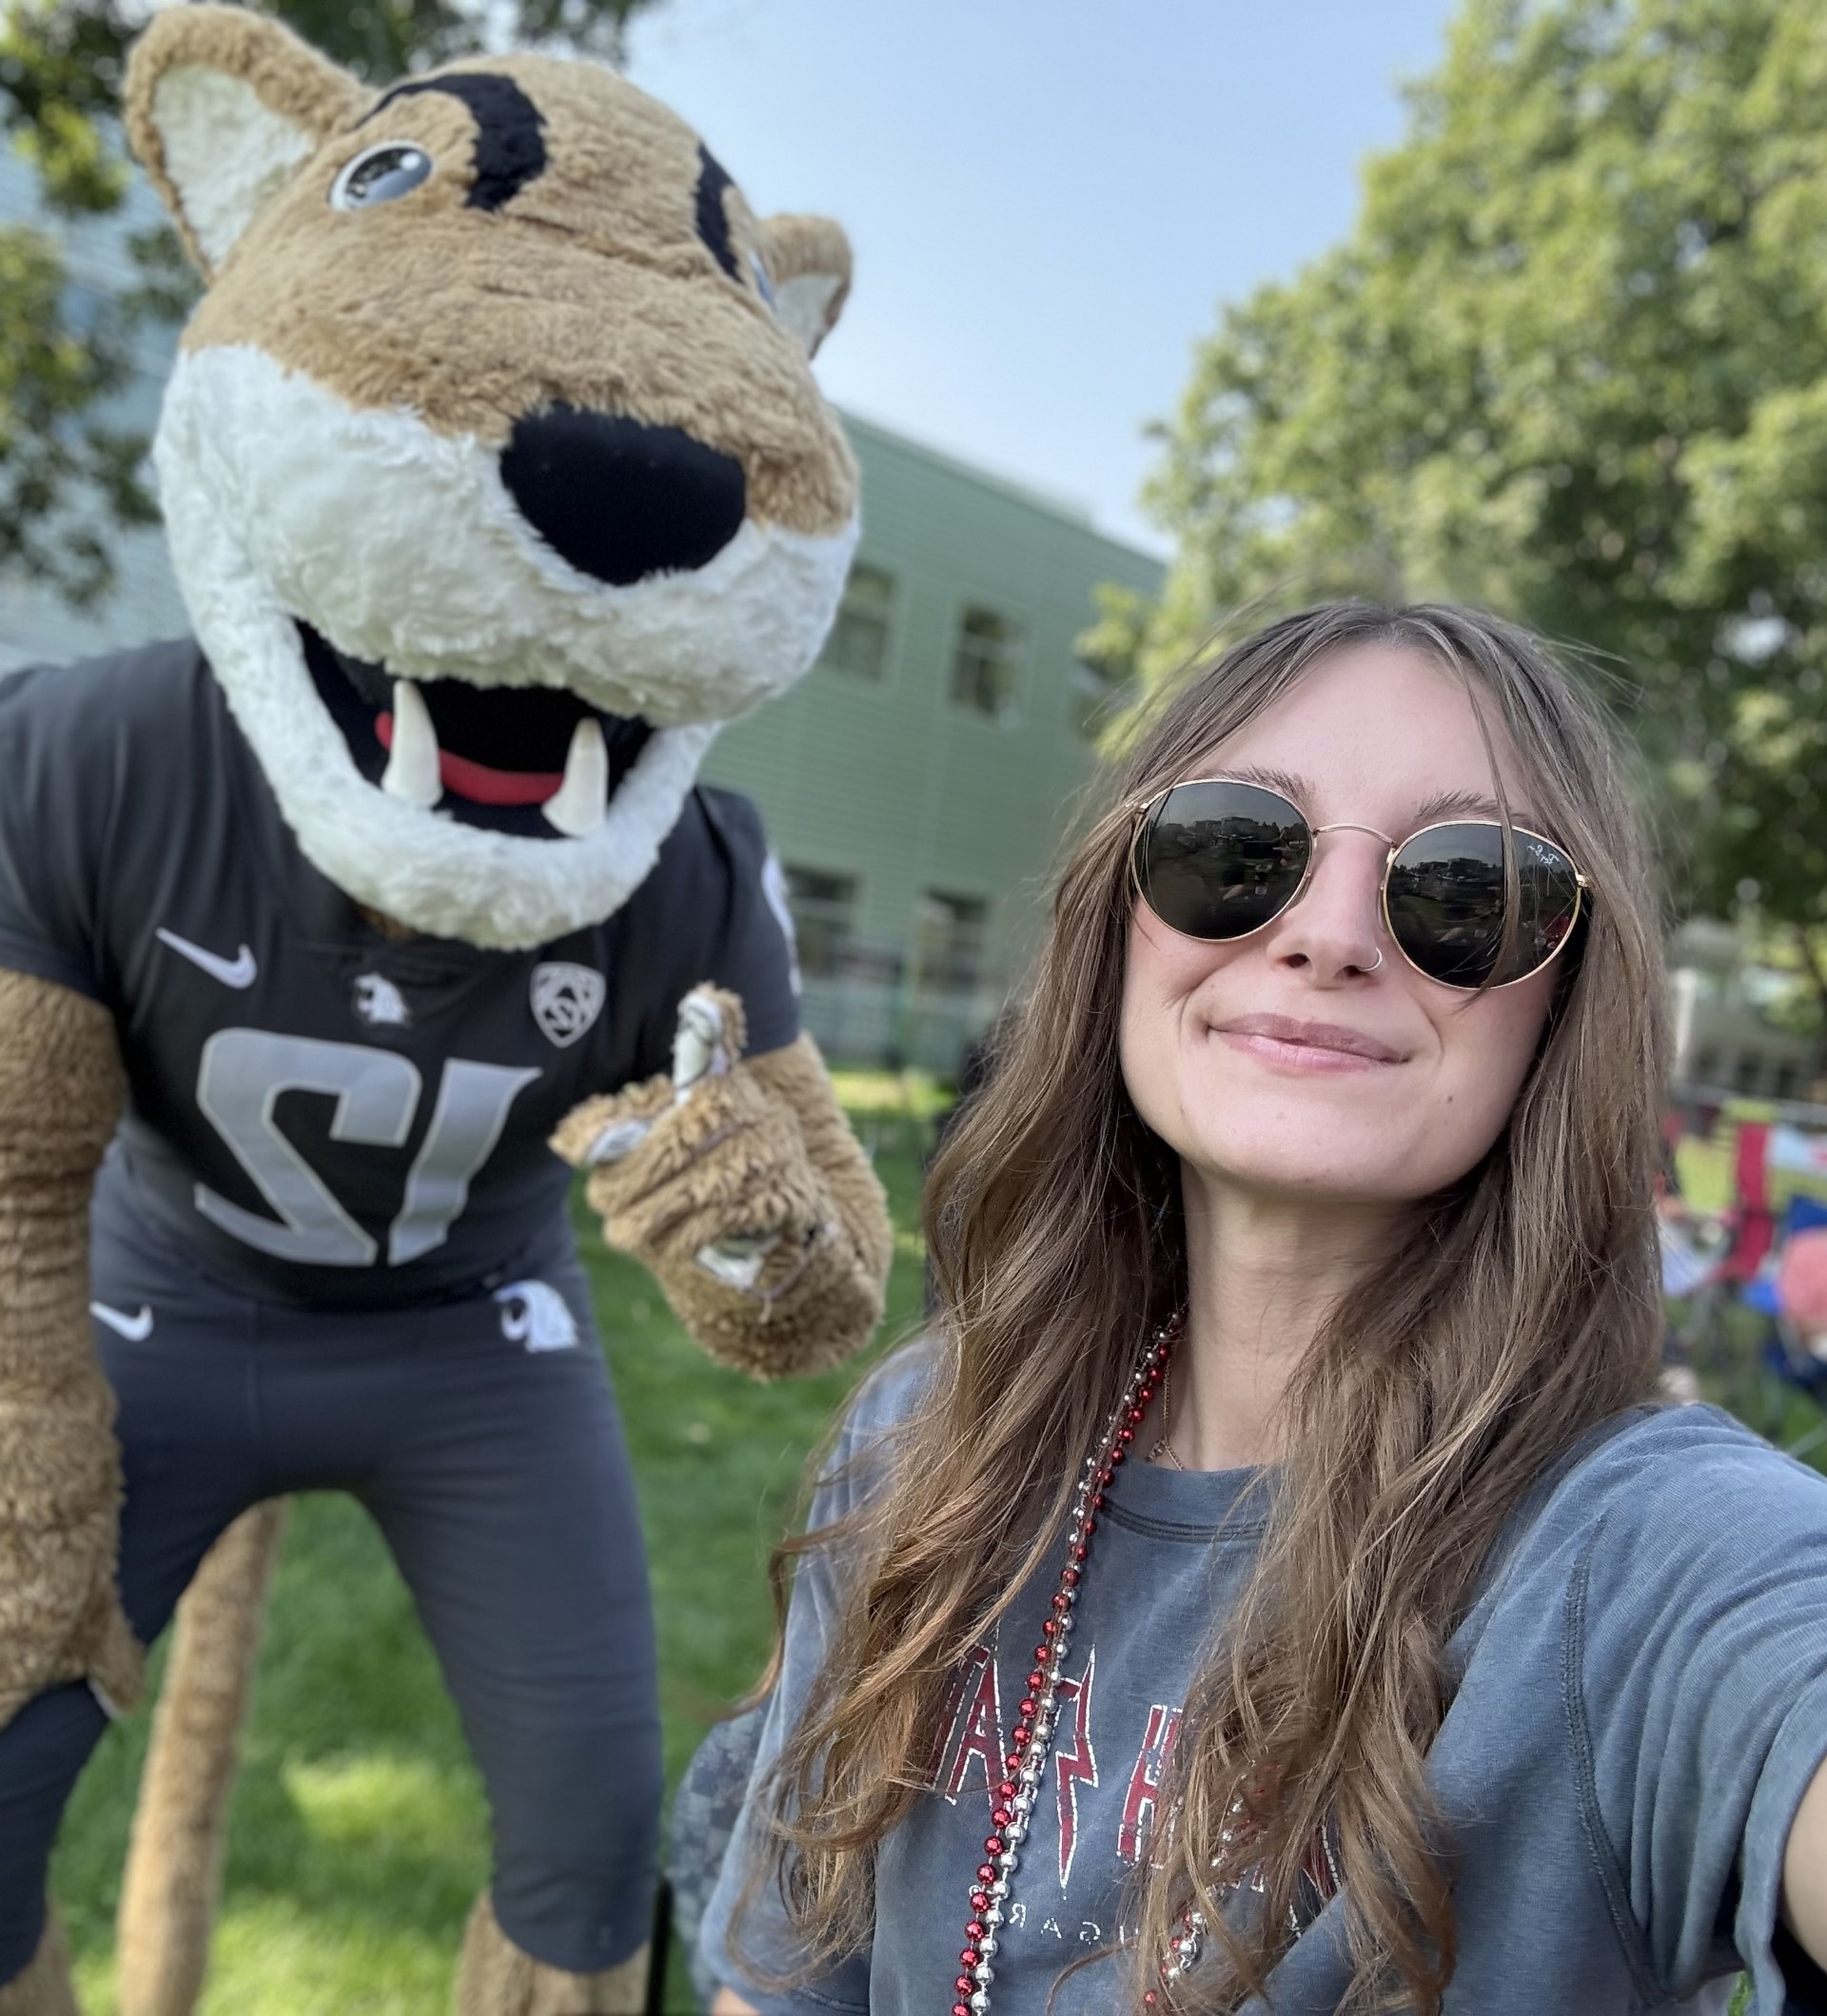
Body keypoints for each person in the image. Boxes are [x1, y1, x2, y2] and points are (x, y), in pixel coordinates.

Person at [694, 601, 1827, 2015]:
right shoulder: (928, 1437)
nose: (1332, 933)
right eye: (1235, 848)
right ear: (1119, 918)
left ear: (1563, 1002)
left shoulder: (1636, 1560)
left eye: (1467, 891)